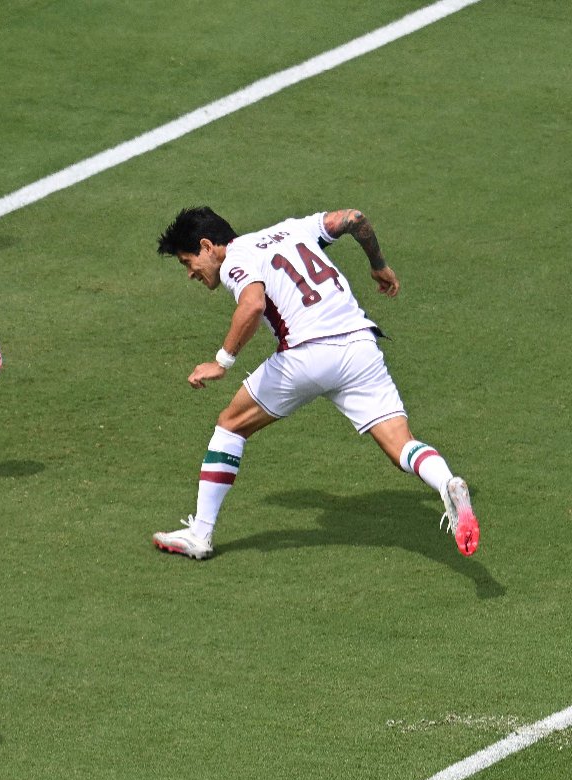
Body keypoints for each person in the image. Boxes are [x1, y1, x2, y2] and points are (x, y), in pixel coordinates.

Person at [151, 206, 480, 560]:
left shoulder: (235, 258)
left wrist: (221, 362)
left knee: (230, 426)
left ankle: (200, 534)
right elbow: (353, 218)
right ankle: (446, 482)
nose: (190, 274)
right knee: (401, 444)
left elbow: (252, 305)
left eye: (188, 262)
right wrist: (378, 264)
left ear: (208, 246)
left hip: (306, 355)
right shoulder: (295, 229)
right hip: (359, 346)